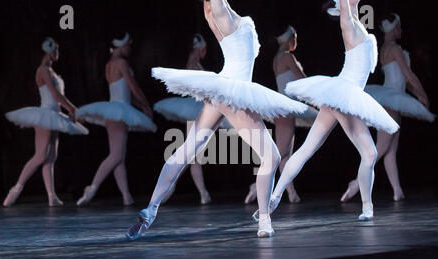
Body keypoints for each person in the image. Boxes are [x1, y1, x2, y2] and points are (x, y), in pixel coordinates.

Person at [126, 0, 309, 240]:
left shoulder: (222, 14)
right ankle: (264, 219)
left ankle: (150, 209)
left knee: (187, 150)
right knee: (272, 156)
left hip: (221, 93)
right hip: (234, 92)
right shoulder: (223, 14)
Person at [265, 0, 399, 224]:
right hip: (345, 94)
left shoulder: (356, 22)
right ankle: (367, 208)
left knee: (308, 148)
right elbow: (348, 9)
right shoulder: (348, 23)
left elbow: (353, 9)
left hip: (339, 95)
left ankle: (275, 196)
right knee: (369, 154)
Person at [341, 13, 435, 203]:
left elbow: (402, 80)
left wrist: (415, 93)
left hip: (392, 97)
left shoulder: (385, 48)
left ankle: (397, 190)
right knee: (381, 147)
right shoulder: (395, 49)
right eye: (399, 26)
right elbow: (408, 75)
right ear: (394, 28)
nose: (401, 30)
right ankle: (356, 183)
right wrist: (422, 94)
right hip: (391, 98)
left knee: (390, 149)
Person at [4, 37, 88, 207]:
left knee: (51, 157)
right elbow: (56, 96)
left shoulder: (51, 71)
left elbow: (58, 97)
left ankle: (52, 196)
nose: (58, 53)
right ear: (48, 51)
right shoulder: (43, 70)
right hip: (46, 114)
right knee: (41, 155)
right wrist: (73, 109)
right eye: (56, 49)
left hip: (54, 115)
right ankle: (15, 190)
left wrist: (69, 110)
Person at [76, 33, 156, 206]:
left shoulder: (108, 65)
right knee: (116, 155)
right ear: (121, 46)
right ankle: (92, 188)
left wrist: (139, 106)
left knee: (119, 156)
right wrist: (146, 106)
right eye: (128, 45)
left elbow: (124, 93)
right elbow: (133, 87)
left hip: (114, 111)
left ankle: (126, 196)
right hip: (119, 112)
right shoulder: (121, 63)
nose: (129, 49)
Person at [245, 25, 318, 205]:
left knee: (284, 155)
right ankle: (256, 186)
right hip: (286, 107)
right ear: (289, 38)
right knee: (279, 153)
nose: (296, 42)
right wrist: (318, 93)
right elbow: (302, 79)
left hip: (283, 107)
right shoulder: (287, 57)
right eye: (295, 37)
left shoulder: (277, 58)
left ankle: (291, 193)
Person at [154, 34, 212, 205]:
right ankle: (170, 185)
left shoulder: (191, 63)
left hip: (193, 110)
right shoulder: (195, 66)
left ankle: (201, 193)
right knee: (191, 152)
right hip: (195, 110)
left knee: (192, 152)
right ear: (201, 50)